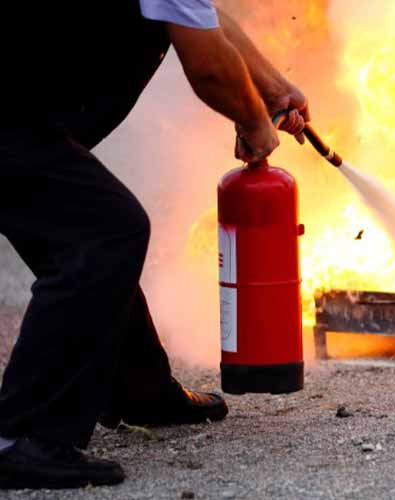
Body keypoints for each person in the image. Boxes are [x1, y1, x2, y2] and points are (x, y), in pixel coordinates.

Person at [0, 0, 309, 489]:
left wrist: (270, 88)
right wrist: (253, 120)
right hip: (12, 117)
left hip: (25, 116)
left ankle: (139, 391)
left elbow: (198, 14)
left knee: (93, 231)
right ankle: (22, 437)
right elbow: (208, 67)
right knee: (104, 233)